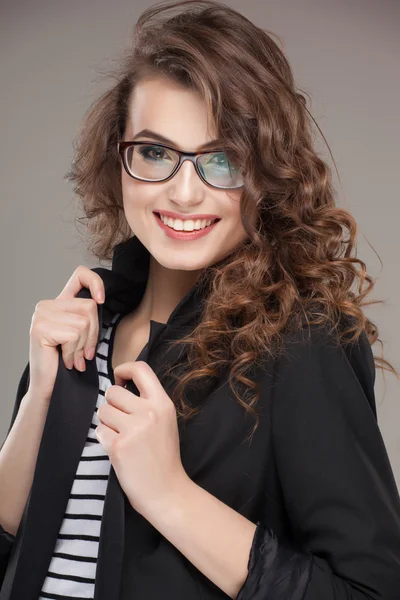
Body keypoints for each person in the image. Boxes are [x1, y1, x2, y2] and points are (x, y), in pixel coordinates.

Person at [1, 1, 400, 599]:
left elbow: (370, 590)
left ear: (267, 172)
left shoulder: (300, 341)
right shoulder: (85, 327)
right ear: (119, 160)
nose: (185, 193)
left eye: (223, 160)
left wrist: (170, 495)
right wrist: (40, 398)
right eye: (156, 153)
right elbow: (16, 545)